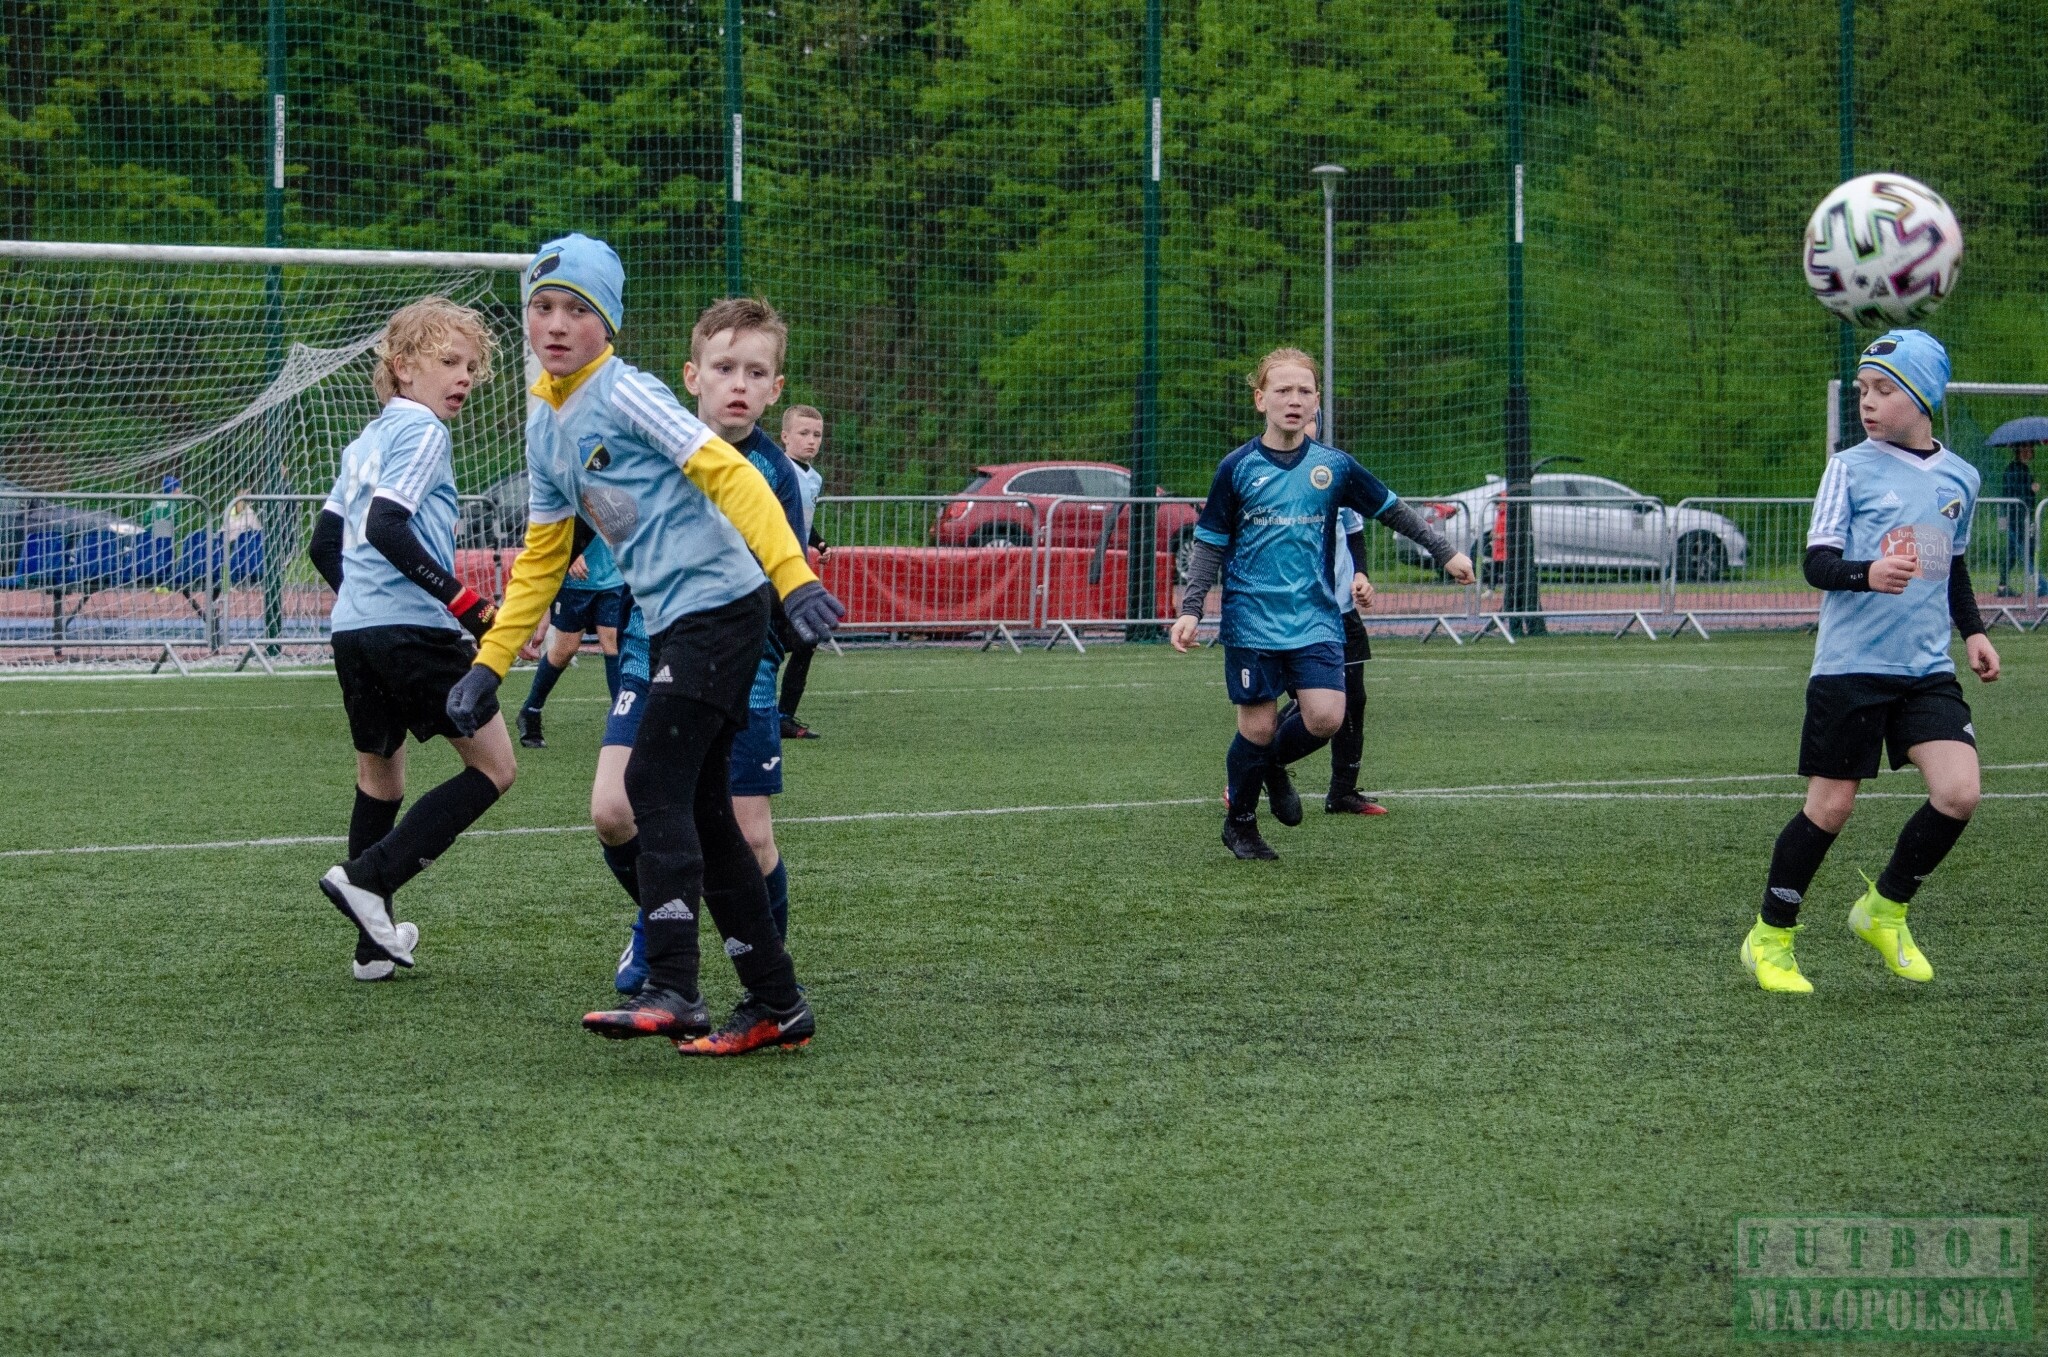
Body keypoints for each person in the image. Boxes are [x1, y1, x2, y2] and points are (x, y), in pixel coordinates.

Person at [443, 235, 844, 1056]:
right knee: (706, 811)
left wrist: (793, 576)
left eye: (578, 308)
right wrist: (489, 665)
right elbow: (545, 555)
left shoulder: (626, 391)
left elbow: (731, 474)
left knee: (651, 779)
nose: (557, 323)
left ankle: (674, 983)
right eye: (543, 306)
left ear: (609, 322)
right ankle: (777, 1002)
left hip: (722, 608)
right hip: (677, 619)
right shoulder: (545, 423)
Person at [1741, 329, 1999, 995]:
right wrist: (1867, 572)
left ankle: (1884, 909)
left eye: (1885, 389)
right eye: (1863, 389)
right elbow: (1816, 562)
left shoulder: (1960, 477)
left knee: (1960, 792)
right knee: (1830, 808)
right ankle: (1770, 938)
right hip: (1851, 668)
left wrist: (1973, 633)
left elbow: (1951, 566)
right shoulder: (1849, 468)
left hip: (1926, 669)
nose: (1868, 401)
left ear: (1924, 396)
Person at [1169, 347, 1474, 860]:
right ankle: (1240, 825)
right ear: (1260, 399)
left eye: (1305, 391)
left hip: (1315, 616)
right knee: (1258, 727)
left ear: (1317, 402)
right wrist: (1191, 608)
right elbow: (1210, 542)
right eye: (1283, 391)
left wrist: (1444, 551)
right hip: (1252, 620)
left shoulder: (1333, 466)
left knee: (1328, 716)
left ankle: (1268, 765)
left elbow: (1391, 508)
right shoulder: (1237, 468)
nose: (1294, 400)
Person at [306, 296, 513, 981]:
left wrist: (365, 604)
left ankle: (372, 948)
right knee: (494, 768)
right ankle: (367, 878)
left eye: (471, 366)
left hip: (354, 631)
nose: (464, 377)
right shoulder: (424, 431)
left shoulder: (365, 441)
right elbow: (388, 526)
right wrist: (468, 605)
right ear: (402, 366)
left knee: (380, 780)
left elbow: (325, 545)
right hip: (413, 630)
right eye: (449, 361)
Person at [513, 531, 627, 748]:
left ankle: (621, 720)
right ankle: (530, 711)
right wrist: (572, 552)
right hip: (573, 581)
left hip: (613, 576)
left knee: (612, 643)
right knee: (565, 649)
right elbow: (553, 524)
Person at [778, 403, 829, 740]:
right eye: (804, 433)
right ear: (785, 436)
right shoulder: (777, 469)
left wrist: (819, 543)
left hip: (795, 572)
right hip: (771, 571)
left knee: (806, 639)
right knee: (765, 643)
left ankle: (783, 717)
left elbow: (801, 520)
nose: (811, 440)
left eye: (817, 435)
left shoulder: (815, 478)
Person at [1996, 439, 2037, 597]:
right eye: (2025, 448)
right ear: (2019, 450)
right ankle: (2005, 585)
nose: (2029, 451)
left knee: (2026, 548)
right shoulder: (2013, 469)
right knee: (2015, 550)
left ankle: (2006, 584)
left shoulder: (2024, 469)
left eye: (2030, 448)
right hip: (2016, 517)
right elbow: (2014, 492)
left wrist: (2031, 489)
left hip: (2024, 516)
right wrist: (2031, 489)